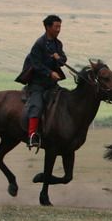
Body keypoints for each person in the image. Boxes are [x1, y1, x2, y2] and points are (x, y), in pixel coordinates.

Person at [15, 15, 67, 149]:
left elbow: (63, 60)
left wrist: (58, 58)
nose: (58, 30)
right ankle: (32, 135)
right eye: (56, 27)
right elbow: (36, 64)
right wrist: (50, 73)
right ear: (47, 27)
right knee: (36, 106)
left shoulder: (58, 43)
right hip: (37, 84)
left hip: (52, 85)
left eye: (60, 27)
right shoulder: (39, 44)